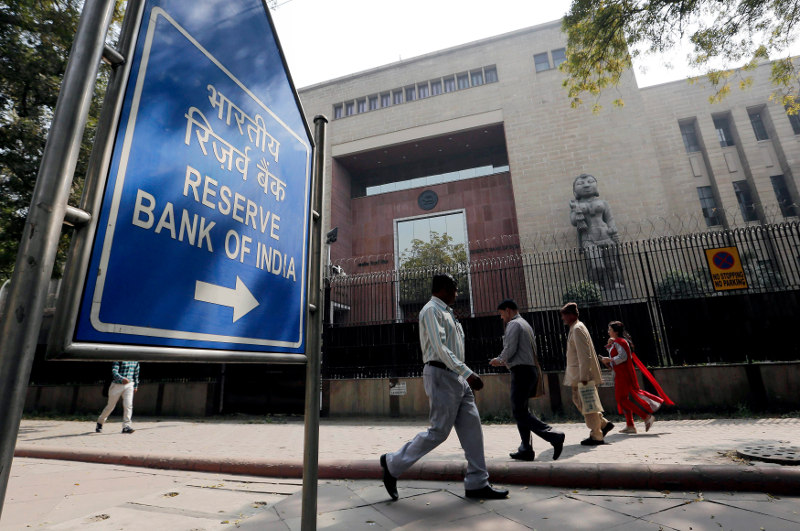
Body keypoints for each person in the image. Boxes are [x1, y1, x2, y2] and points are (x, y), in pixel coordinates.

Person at [380, 273, 508, 501]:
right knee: (439, 431)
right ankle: (392, 463)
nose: (457, 294)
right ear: (443, 289)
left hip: (457, 376)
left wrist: (463, 373)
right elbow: (439, 348)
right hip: (441, 373)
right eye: (455, 289)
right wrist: (468, 373)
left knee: (472, 429)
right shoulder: (431, 310)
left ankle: (478, 482)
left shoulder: (448, 312)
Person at [490, 299, 565, 461]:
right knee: (522, 410)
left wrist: (499, 360)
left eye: (502, 314)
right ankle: (526, 449)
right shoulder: (525, 324)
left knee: (519, 411)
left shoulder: (514, 325)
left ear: (508, 310)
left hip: (522, 371)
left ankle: (553, 435)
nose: (502, 318)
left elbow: (510, 348)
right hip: (529, 370)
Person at [600, 321, 674, 434]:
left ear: (615, 331)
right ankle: (630, 425)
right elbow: (618, 356)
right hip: (620, 374)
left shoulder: (621, 341)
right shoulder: (618, 342)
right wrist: (610, 348)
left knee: (621, 399)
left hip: (623, 375)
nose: (608, 331)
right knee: (624, 399)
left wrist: (609, 360)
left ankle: (646, 417)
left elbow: (623, 357)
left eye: (610, 329)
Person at [560, 302, 614, 445]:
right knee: (580, 402)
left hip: (582, 376)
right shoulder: (576, 327)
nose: (563, 318)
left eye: (564, 315)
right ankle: (603, 424)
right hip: (578, 375)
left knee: (587, 405)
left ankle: (596, 435)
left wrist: (584, 378)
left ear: (571, 315)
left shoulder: (577, 329)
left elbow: (585, 356)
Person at [96, 361, 140, 434]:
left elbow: (136, 374)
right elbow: (114, 371)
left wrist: (135, 386)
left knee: (128, 405)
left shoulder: (135, 361)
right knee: (110, 406)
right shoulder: (119, 358)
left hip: (129, 385)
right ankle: (100, 422)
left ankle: (126, 426)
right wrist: (121, 379)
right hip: (117, 385)